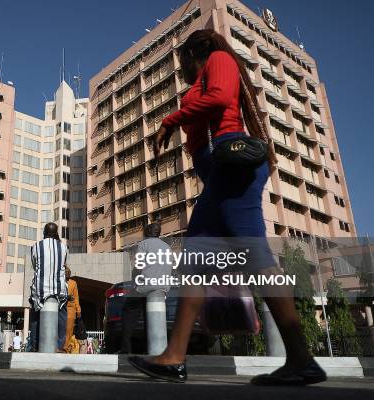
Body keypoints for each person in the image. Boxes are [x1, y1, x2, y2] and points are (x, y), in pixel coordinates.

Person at [129, 29, 326, 386]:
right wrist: (185, 120)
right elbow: (202, 122)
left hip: (234, 168)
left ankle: (301, 359)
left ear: (195, 53)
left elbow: (221, 98)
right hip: (222, 176)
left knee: (258, 260)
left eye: (182, 62)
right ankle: (174, 357)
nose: (182, 70)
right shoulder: (199, 84)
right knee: (195, 264)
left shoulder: (219, 60)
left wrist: (170, 120)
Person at [121, 222, 171, 354]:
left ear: (148, 232)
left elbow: (138, 266)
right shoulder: (167, 247)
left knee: (128, 312)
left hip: (145, 286)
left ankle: (126, 348)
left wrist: (134, 281)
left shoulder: (144, 244)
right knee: (150, 315)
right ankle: (150, 348)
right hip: (162, 287)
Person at [28, 222, 69, 352]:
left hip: (40, 290)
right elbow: (64, 265)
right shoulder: (63, 247)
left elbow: (35, 266)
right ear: (56, 233)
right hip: (59, 290)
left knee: (35, 316)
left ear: (44, 233)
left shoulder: (36, 246)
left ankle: (35, 345)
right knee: (62, 316)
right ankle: (59, 346)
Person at [63, 266, 82, 352]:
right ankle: (60, 346)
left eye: (69, 273)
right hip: (61, 308)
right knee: (61, 328)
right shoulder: (59, 282)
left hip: (71, 308)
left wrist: (78, 310)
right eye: (66, 273)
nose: (68, 274)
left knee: (69, 329)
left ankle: (65, 347)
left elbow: (76, 297)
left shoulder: (73, 283)